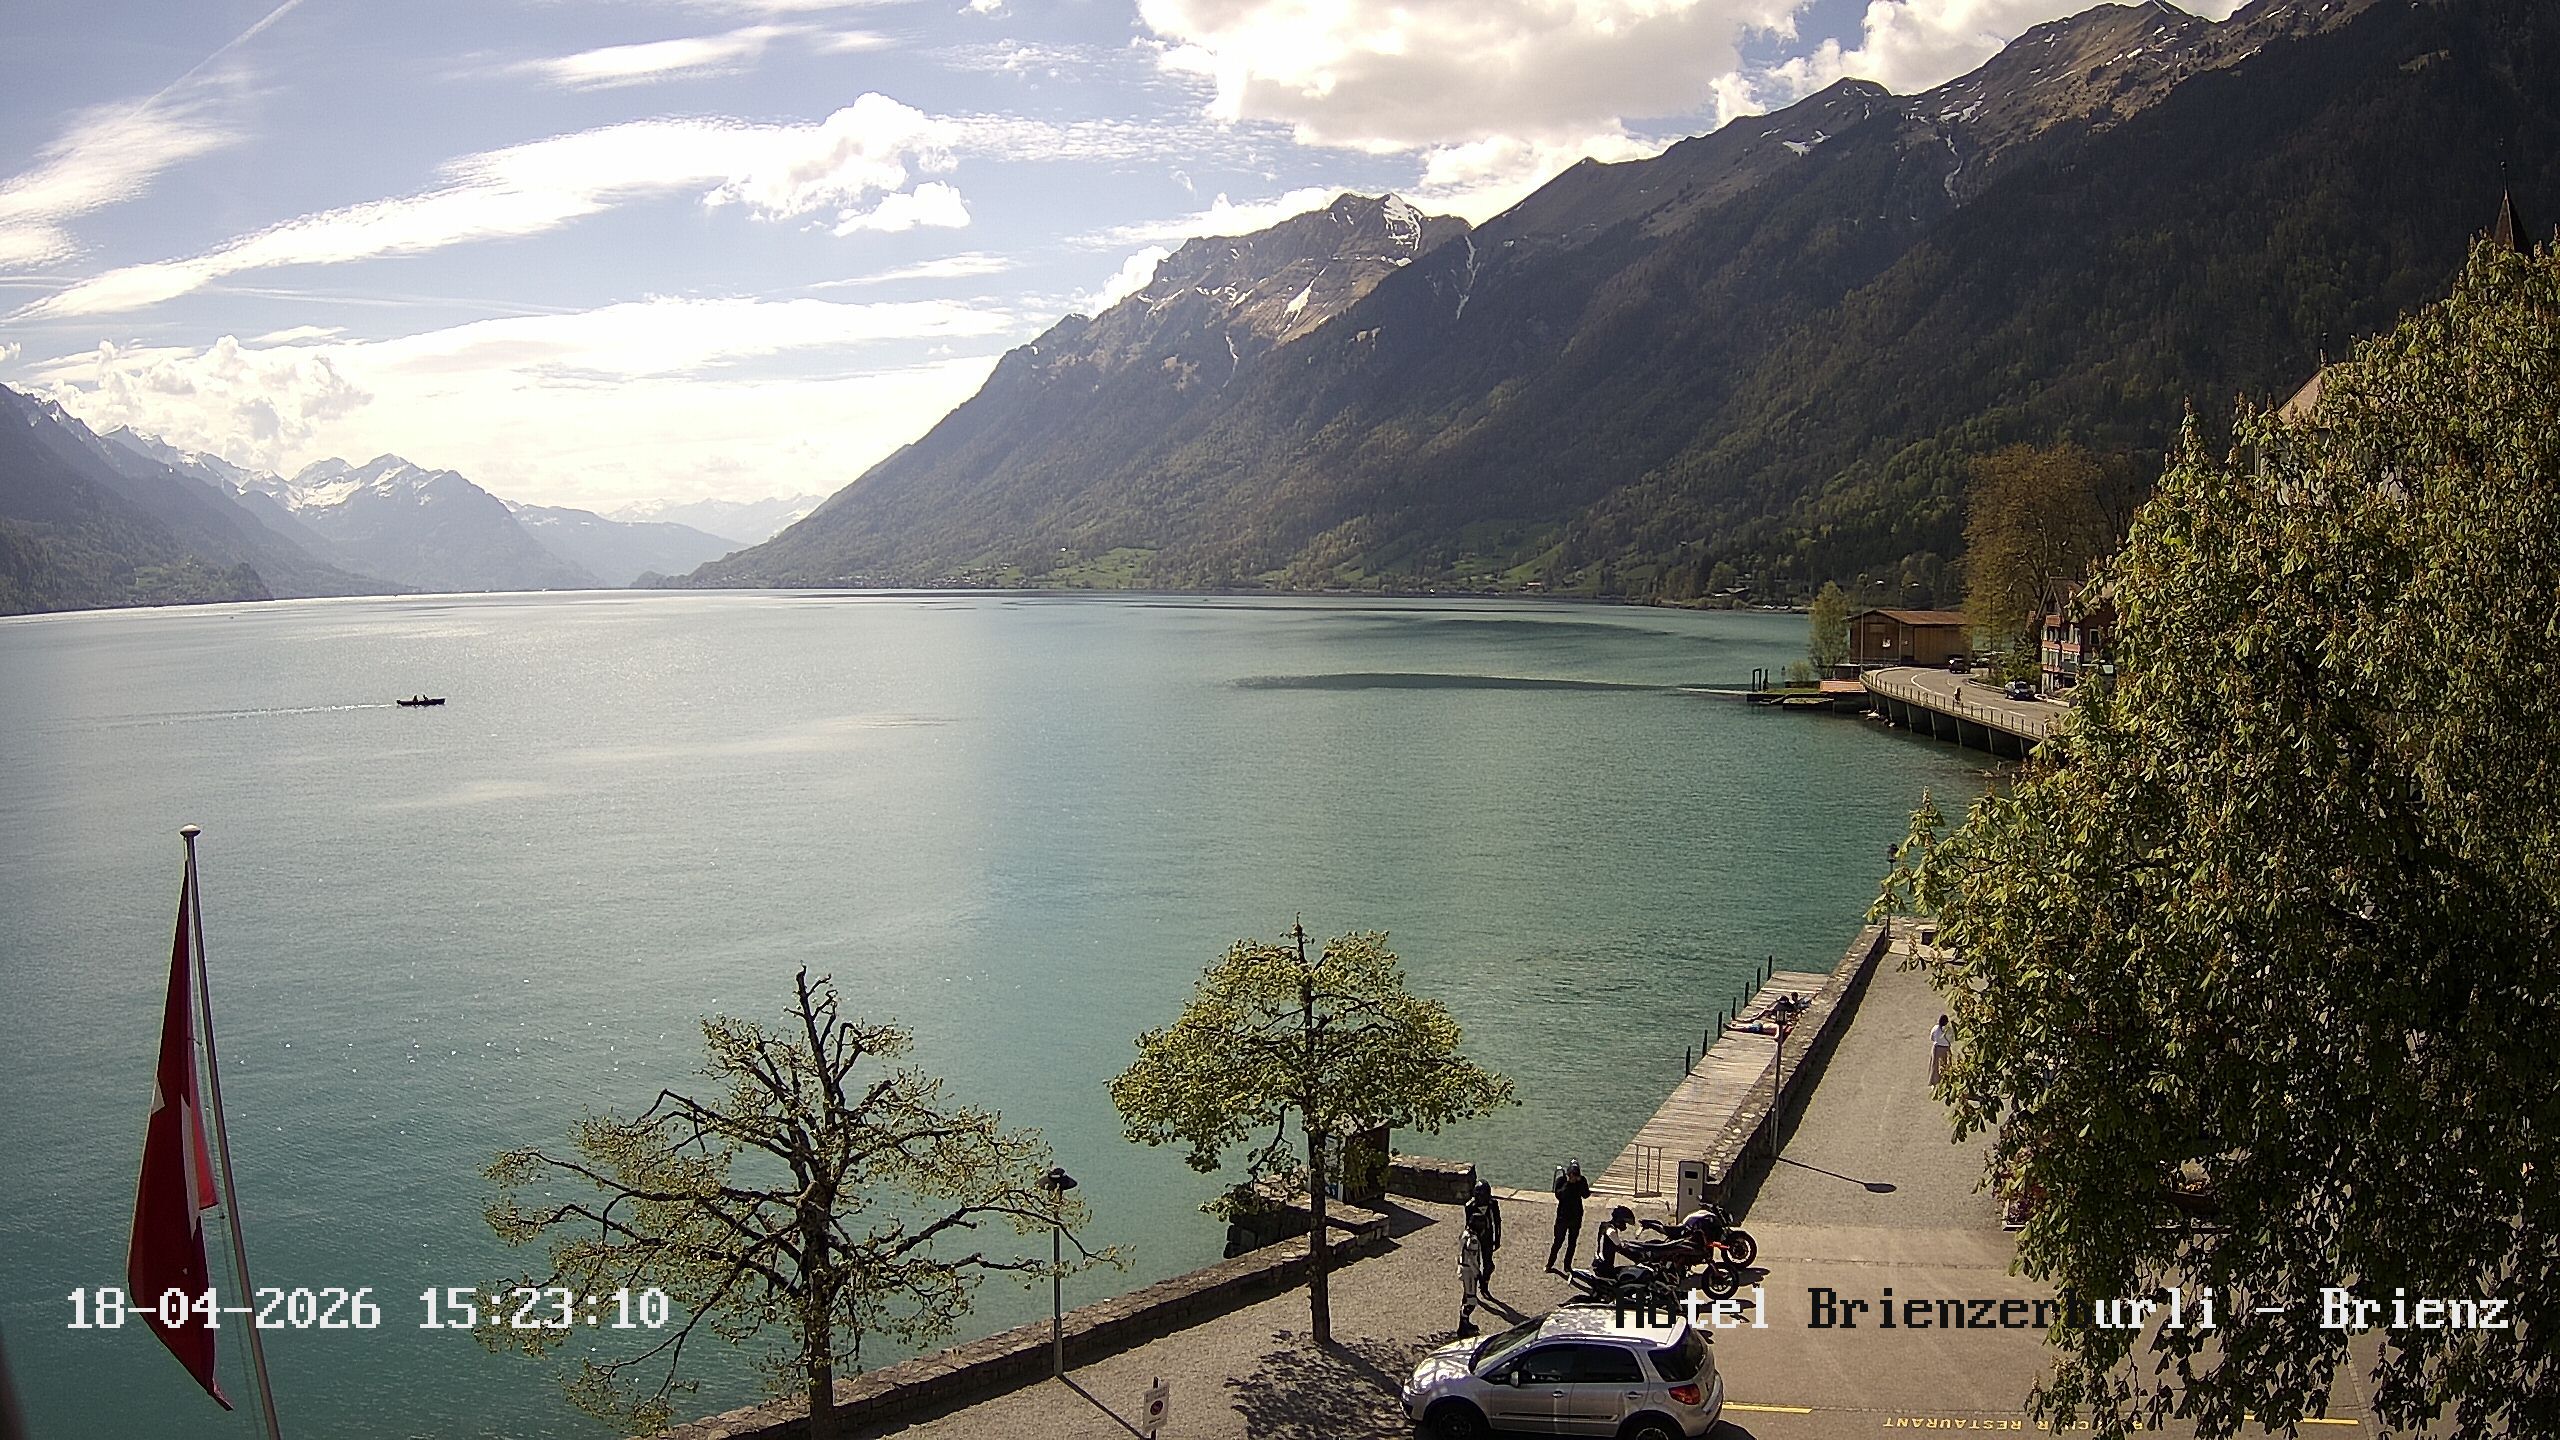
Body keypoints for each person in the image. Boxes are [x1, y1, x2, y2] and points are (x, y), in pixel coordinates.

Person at [1546, 1160, 1592, 1274]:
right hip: (1563, 1216)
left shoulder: (1581, 1181)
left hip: (1576, 1216)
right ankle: (1550, 1264)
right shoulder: (1561, 1181)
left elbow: (1586, 1195)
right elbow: (1559, 1195)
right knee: (1558, 1241)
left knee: (1572, 1242)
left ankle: (1567, 1265)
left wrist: (1580, 1183)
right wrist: (1568, 1184)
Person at [1464, 1180, 1503, 1294]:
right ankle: (1474, 1287)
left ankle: (1484, 1284)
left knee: (1489, 1265)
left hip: (1488, 1235)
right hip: (1475, 1238)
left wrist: (1498, 1238)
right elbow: (1468, 1226)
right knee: (1474, 1265)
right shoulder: (1470, 1206)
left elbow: (1497, 1222)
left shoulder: (1493, 1204)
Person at [1592, 1204, 1638, 1279]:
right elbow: (1618, 1245)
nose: (1624, 1225)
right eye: (1624, 1222)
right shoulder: (1611, 1230)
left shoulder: (1606, 1225)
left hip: (1600, 1262)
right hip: (1604, 1267)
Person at [1457, 1224, 1486, 1335]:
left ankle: (1465, 1323)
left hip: (1463, 1267)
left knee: (1466, 1297)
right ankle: (1463, 1326)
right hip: (1469, 1271)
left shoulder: (1465, 1233)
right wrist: (1478, 1274)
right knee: (1471, 1300)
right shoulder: (1473, 1240)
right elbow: (1472, 1260)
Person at [1929, 1013, 1952, 1085]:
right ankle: (1944, 1081)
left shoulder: (1935, 1028)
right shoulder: (1948, 1030)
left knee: (1934, 1065)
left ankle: (1934, 1081)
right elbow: (1951, 1039)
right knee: (1945, 1065)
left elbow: (1931, 1038)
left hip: (1936, 1048)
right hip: (1945, 1049)